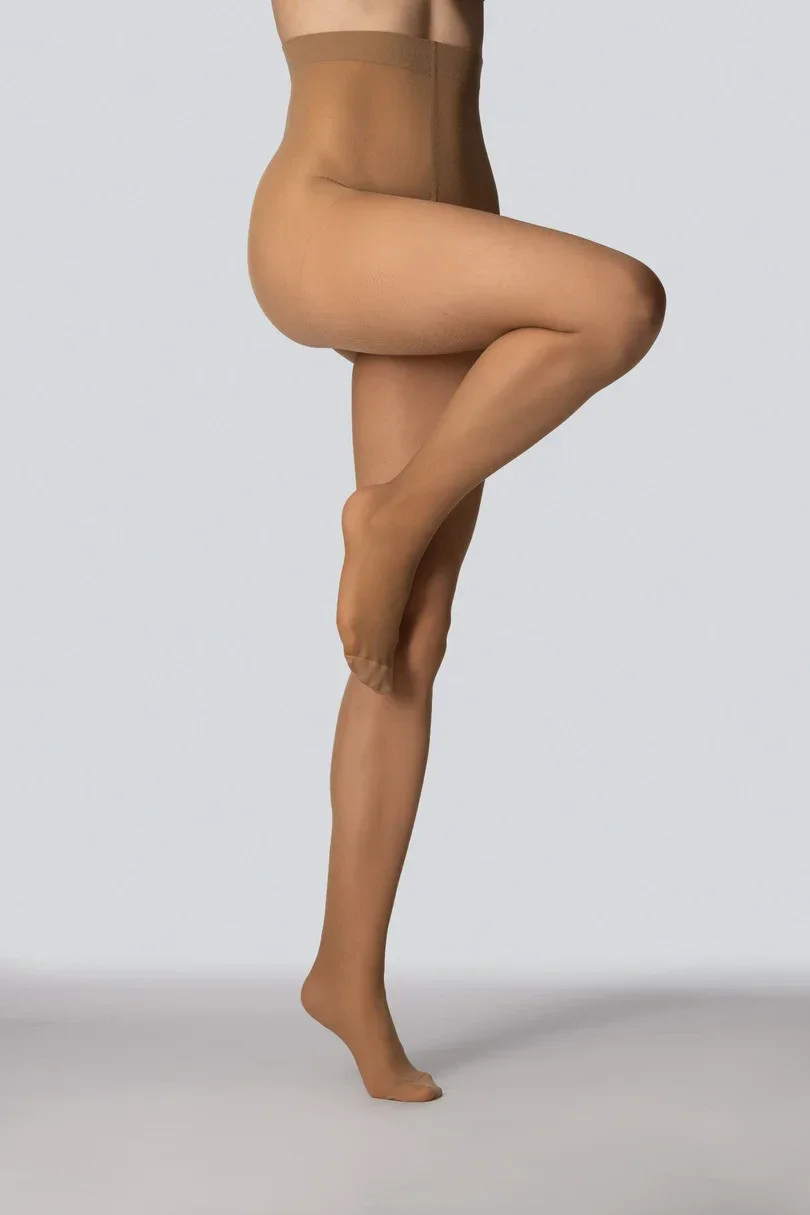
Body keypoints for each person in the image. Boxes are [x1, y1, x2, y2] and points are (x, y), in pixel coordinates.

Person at [247, 0, 666, 1103]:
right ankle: (386, 519)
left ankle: (345, 973)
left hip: (444, 240)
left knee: (410, 637)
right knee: (617, 302)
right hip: (332, 219)